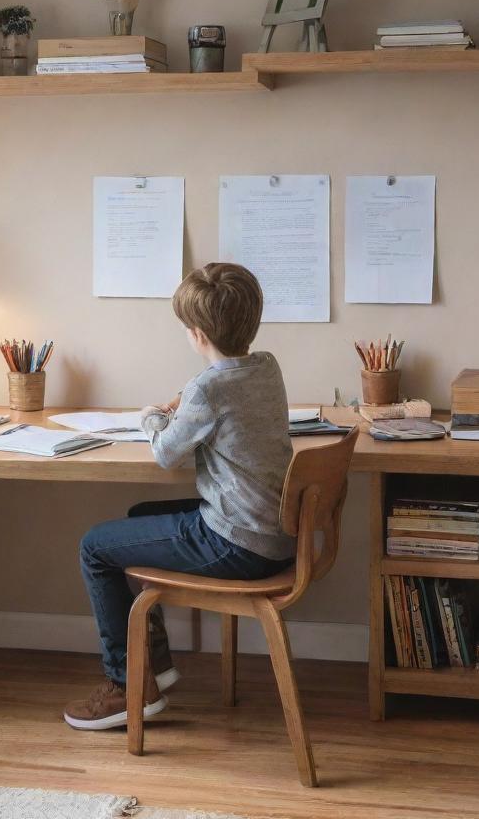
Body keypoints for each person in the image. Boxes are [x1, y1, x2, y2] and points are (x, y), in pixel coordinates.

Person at [64, 262, 294, 730]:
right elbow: (216, 400)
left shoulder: (208, 389)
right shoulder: (265, 367)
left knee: (95, 547)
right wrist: (186, 400)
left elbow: (166, 454)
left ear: (196, 334)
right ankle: (157, 664)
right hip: (276, 536)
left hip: (237, 546)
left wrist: (151, 415)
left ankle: (128, 685)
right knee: (139, 516)